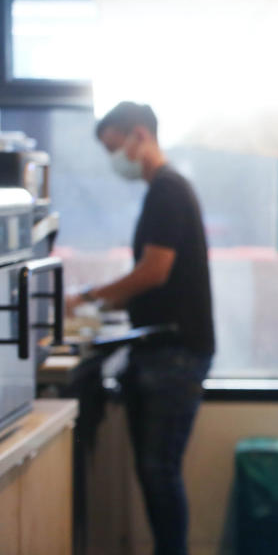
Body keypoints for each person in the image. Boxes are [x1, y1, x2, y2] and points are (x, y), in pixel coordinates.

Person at [67, 101, 214, 555]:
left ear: (138, 135)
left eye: (115, 148)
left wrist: (88, 296)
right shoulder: (163, 191)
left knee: (159, 472)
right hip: (163, 349)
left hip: (174, 353)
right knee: (157, 473)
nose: (117, 160)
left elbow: (154, 271)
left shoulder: (167, 190)